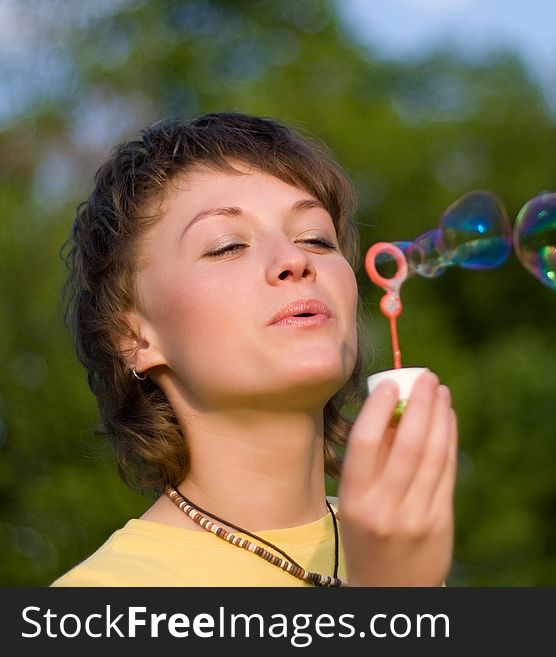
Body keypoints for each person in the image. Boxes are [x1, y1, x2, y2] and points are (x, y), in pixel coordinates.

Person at [52, 112, 457, 586]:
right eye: (226, 246)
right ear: (135, 338)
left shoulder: (398, 537)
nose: (295, 260)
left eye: (315, 238)